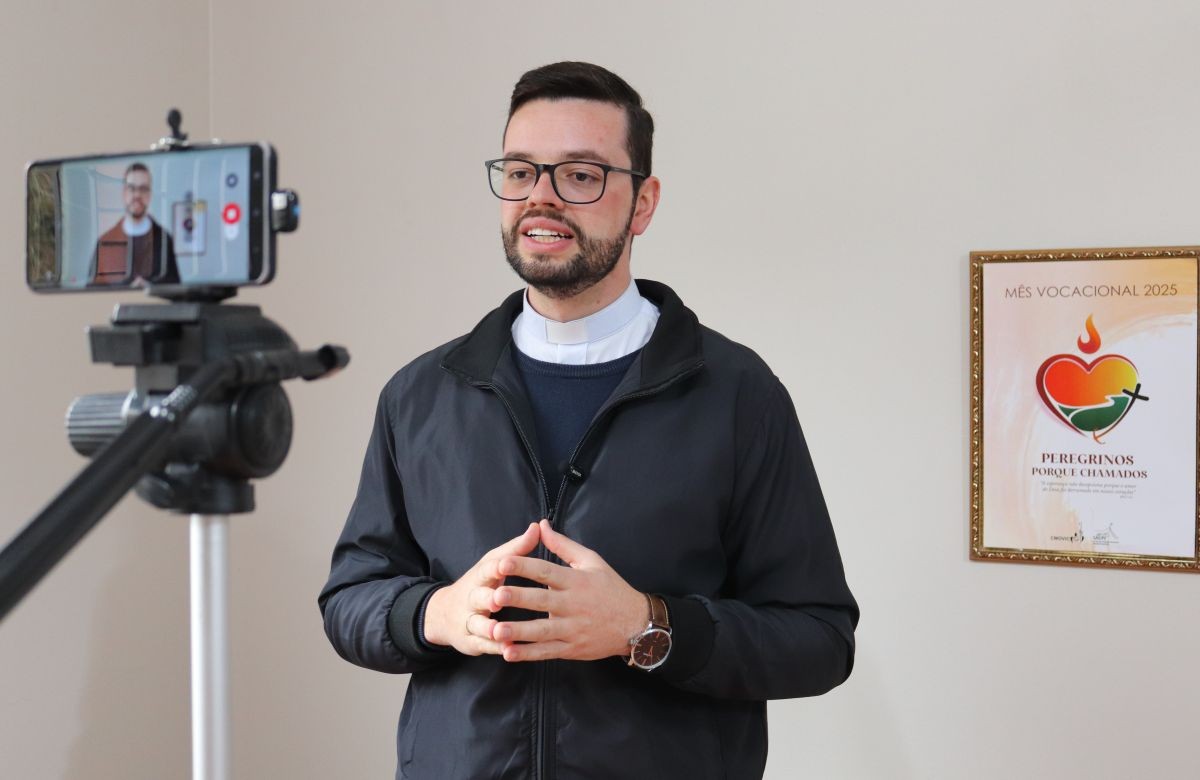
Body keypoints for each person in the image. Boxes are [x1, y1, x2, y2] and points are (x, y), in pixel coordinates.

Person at [319, 61, 859, 780]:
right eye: (520, 172)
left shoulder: (738, 395)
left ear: (643, 203)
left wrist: (646, 626)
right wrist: (437, 615)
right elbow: (349, 600)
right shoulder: (420, 395)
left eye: (580, 175)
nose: (540, 197)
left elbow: (820, 638)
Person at [90, 162, 179, 286]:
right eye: (132, 188)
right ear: (124, 193)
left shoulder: (164, 241)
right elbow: (94, 291)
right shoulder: (105, 242)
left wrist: (149, 287)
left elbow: (174, 288)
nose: (137, 195)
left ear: (150, 195)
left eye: (143, 189)